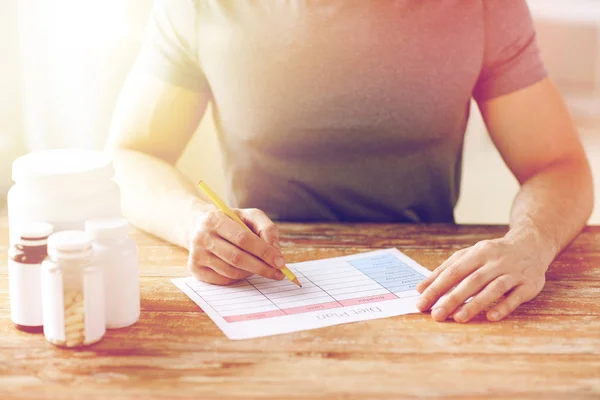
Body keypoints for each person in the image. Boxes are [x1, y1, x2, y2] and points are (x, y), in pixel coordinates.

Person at [107, 0, 594, 324]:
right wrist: (193, 220)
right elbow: (133, 154)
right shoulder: (201, 6)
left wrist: (531, 244)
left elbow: (556, 164)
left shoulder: (484, 6)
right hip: (260, 285)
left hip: (428, 296)